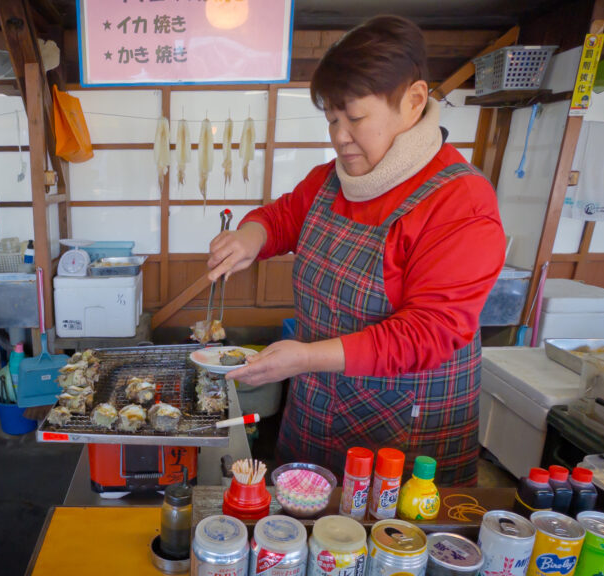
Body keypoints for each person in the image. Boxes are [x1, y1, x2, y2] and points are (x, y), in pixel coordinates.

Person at [208, 15, 506, 486]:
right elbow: (284, 217)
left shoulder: (460, 202)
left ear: (414, 101)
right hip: (320, 405)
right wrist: (250, 237)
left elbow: (428, 334)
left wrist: (306, 357)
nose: (340, 136)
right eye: (332, 119)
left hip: (407, 427)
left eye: (357, 118)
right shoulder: (334, 178)